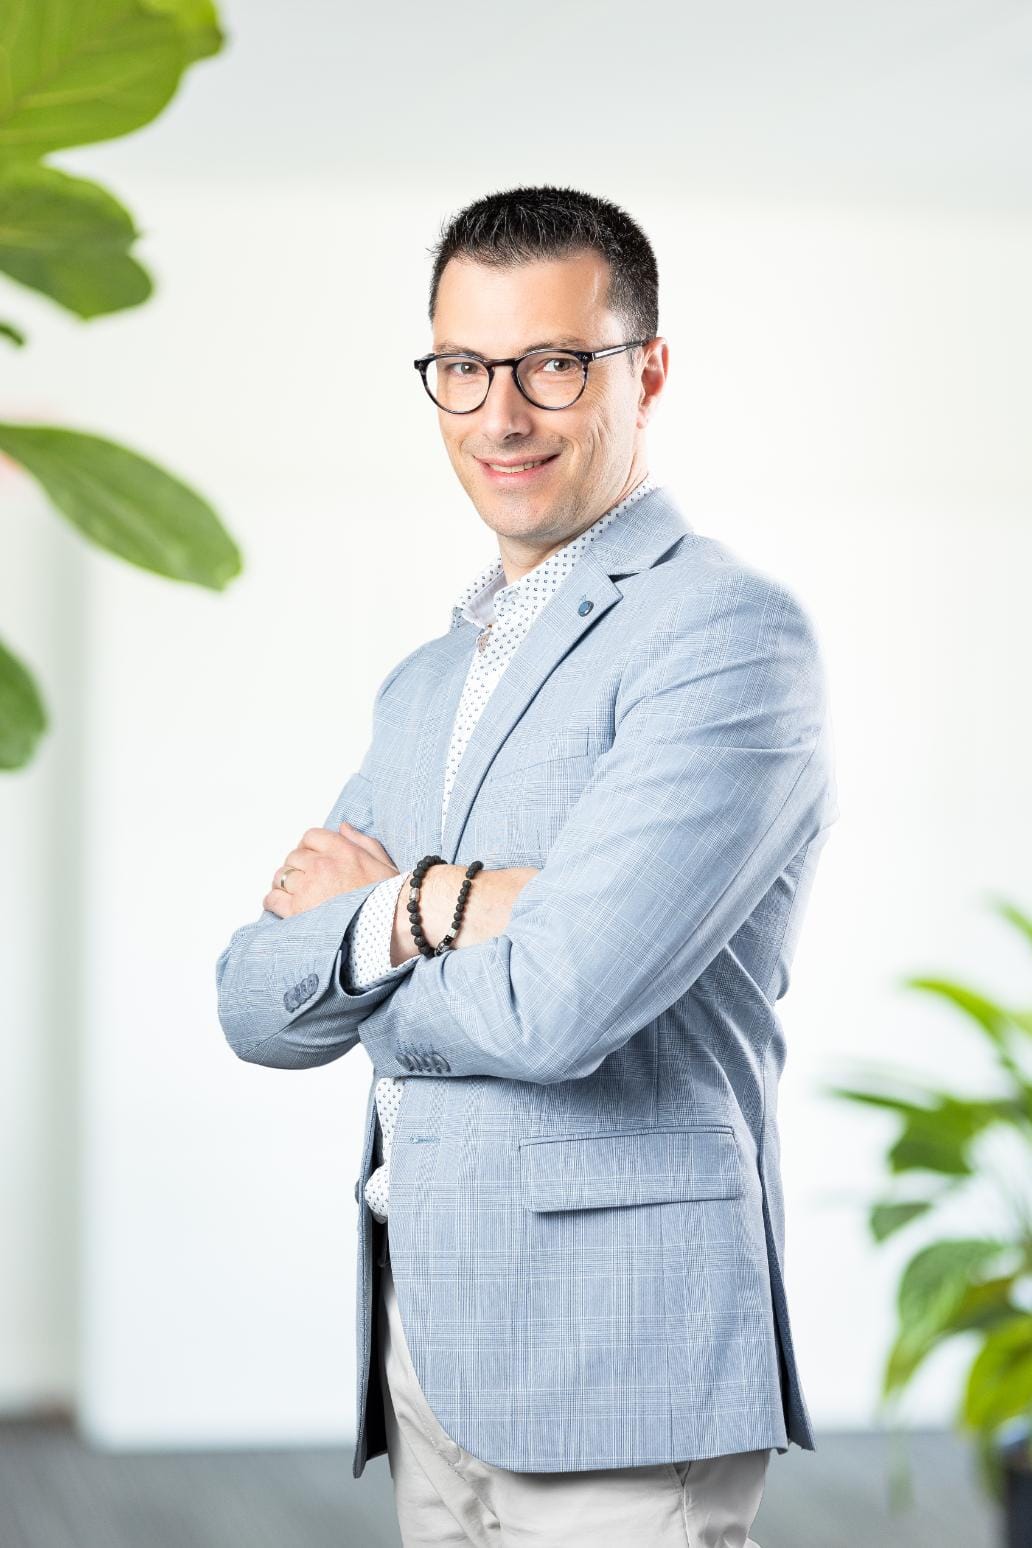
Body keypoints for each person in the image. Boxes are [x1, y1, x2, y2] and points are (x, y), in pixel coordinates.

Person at [215, 183, 839, 1547]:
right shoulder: (424, 684)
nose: (501, 415)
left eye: (553, 364)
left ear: (646, 371)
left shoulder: (725, 635)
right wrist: (429, 910)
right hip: (425, 1337)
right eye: (463, 367)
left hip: (620, 1348)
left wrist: (382, 922)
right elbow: (255, 1001)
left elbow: (558, 1007)